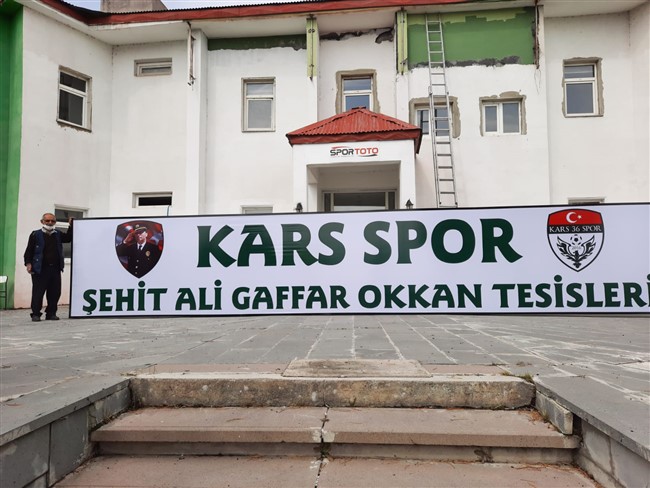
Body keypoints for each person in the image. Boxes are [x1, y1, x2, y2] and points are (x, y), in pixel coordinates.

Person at [24, 213, 73, 321]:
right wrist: (28, 264)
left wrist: (71, 225)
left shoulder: (58, 234)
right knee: (38, 293)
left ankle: (51, 313)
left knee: (55, 292)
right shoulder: (35, 234)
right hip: (40, 269)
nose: (50, 223)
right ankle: (36, 314)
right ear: (42, 222)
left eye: (52, 221)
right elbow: (29, 251)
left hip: (55, 268)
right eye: (47, 221)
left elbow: (68, 238)